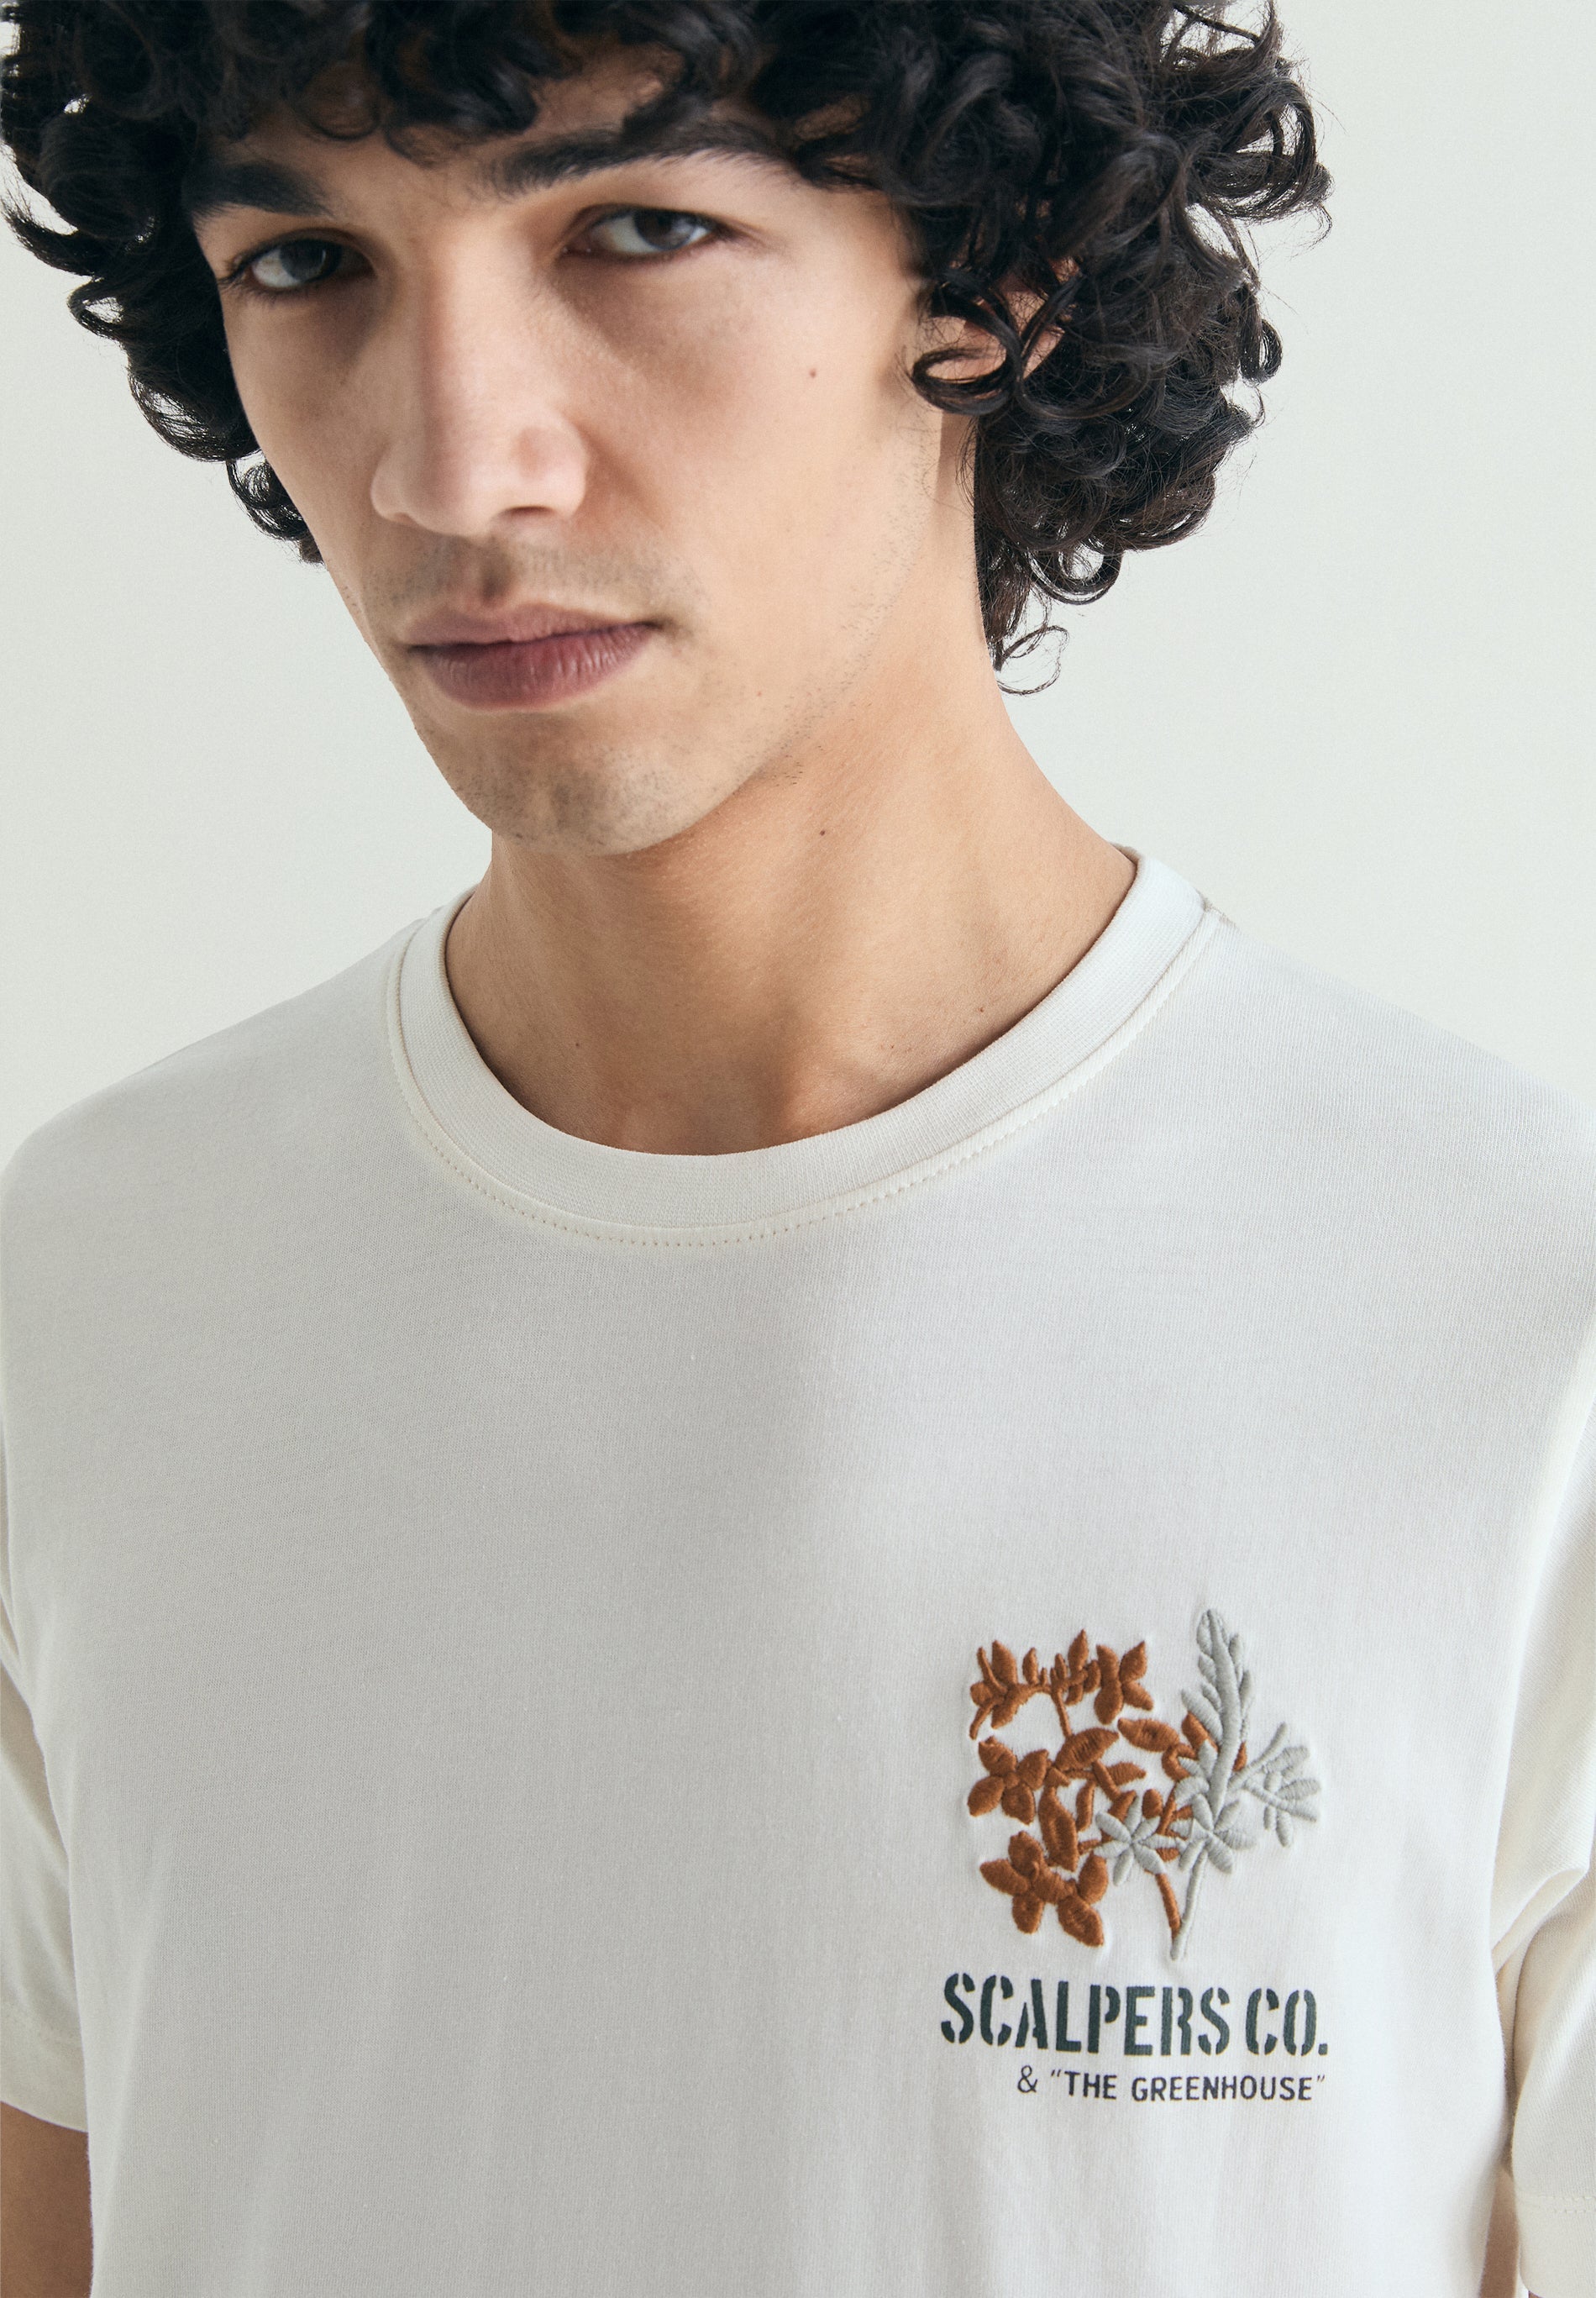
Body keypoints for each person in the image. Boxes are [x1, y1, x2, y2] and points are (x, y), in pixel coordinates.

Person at [0, 3, 1588, 2292]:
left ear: (997, 270)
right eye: (308, 266)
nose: (452, 468)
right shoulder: (86, 1304)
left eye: (637, 233)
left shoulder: (1517, 1334)